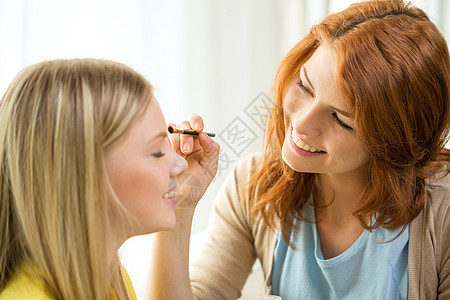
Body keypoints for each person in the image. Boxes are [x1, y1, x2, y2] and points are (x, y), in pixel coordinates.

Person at [150, 0, 450, 299]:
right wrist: (177, 203)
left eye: (341, 119)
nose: (303, 122)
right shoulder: (254, 186)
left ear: (397, 141)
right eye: (305, 87)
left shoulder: (443, 215)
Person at [0, 59, 219, 299]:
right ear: (85, 174)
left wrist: (179, 205)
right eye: (157, 151)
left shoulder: (109, 281)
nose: (180, 164)